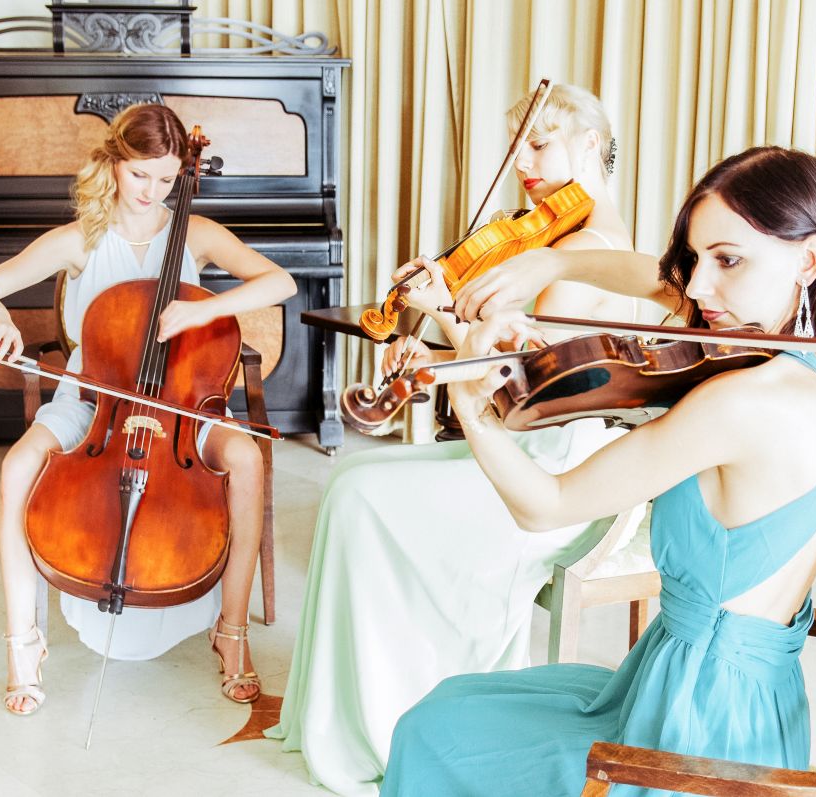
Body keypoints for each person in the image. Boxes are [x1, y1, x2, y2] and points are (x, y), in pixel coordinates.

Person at [381, 145, 816, 795]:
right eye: (695, 259)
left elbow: (546, 504)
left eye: (728, 259)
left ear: (808, 260)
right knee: (462, 707)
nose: (695, 288)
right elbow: (654, 277)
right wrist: (551, 260)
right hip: (758, 711)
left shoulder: (741, 402)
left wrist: (474, 409)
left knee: (436, 730)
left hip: (689, 733)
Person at [265, 84, 652, 796]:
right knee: (349, 482)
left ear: (590, 146)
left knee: (361, 499)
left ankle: (389, 717)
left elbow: (521, 381)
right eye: (517, 148)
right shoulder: (556, 239)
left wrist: (443, 313)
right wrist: (437, 347)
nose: (523, 164)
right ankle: (356, 708)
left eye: (539, 144)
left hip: (553, 463)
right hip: (522, 441)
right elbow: (500, 360)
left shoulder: (588, 248)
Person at [0, 104, 296, 715]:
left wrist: (204, 309)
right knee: (17, 467)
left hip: (182, 399)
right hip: (93, 399)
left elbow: (281, 283)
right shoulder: (79, 240)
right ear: (115, 163)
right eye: (141, 174)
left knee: (247, 459)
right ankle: (24, 642)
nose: (153, 191)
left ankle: (231, 631)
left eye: (167, 178)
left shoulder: (195, 232)